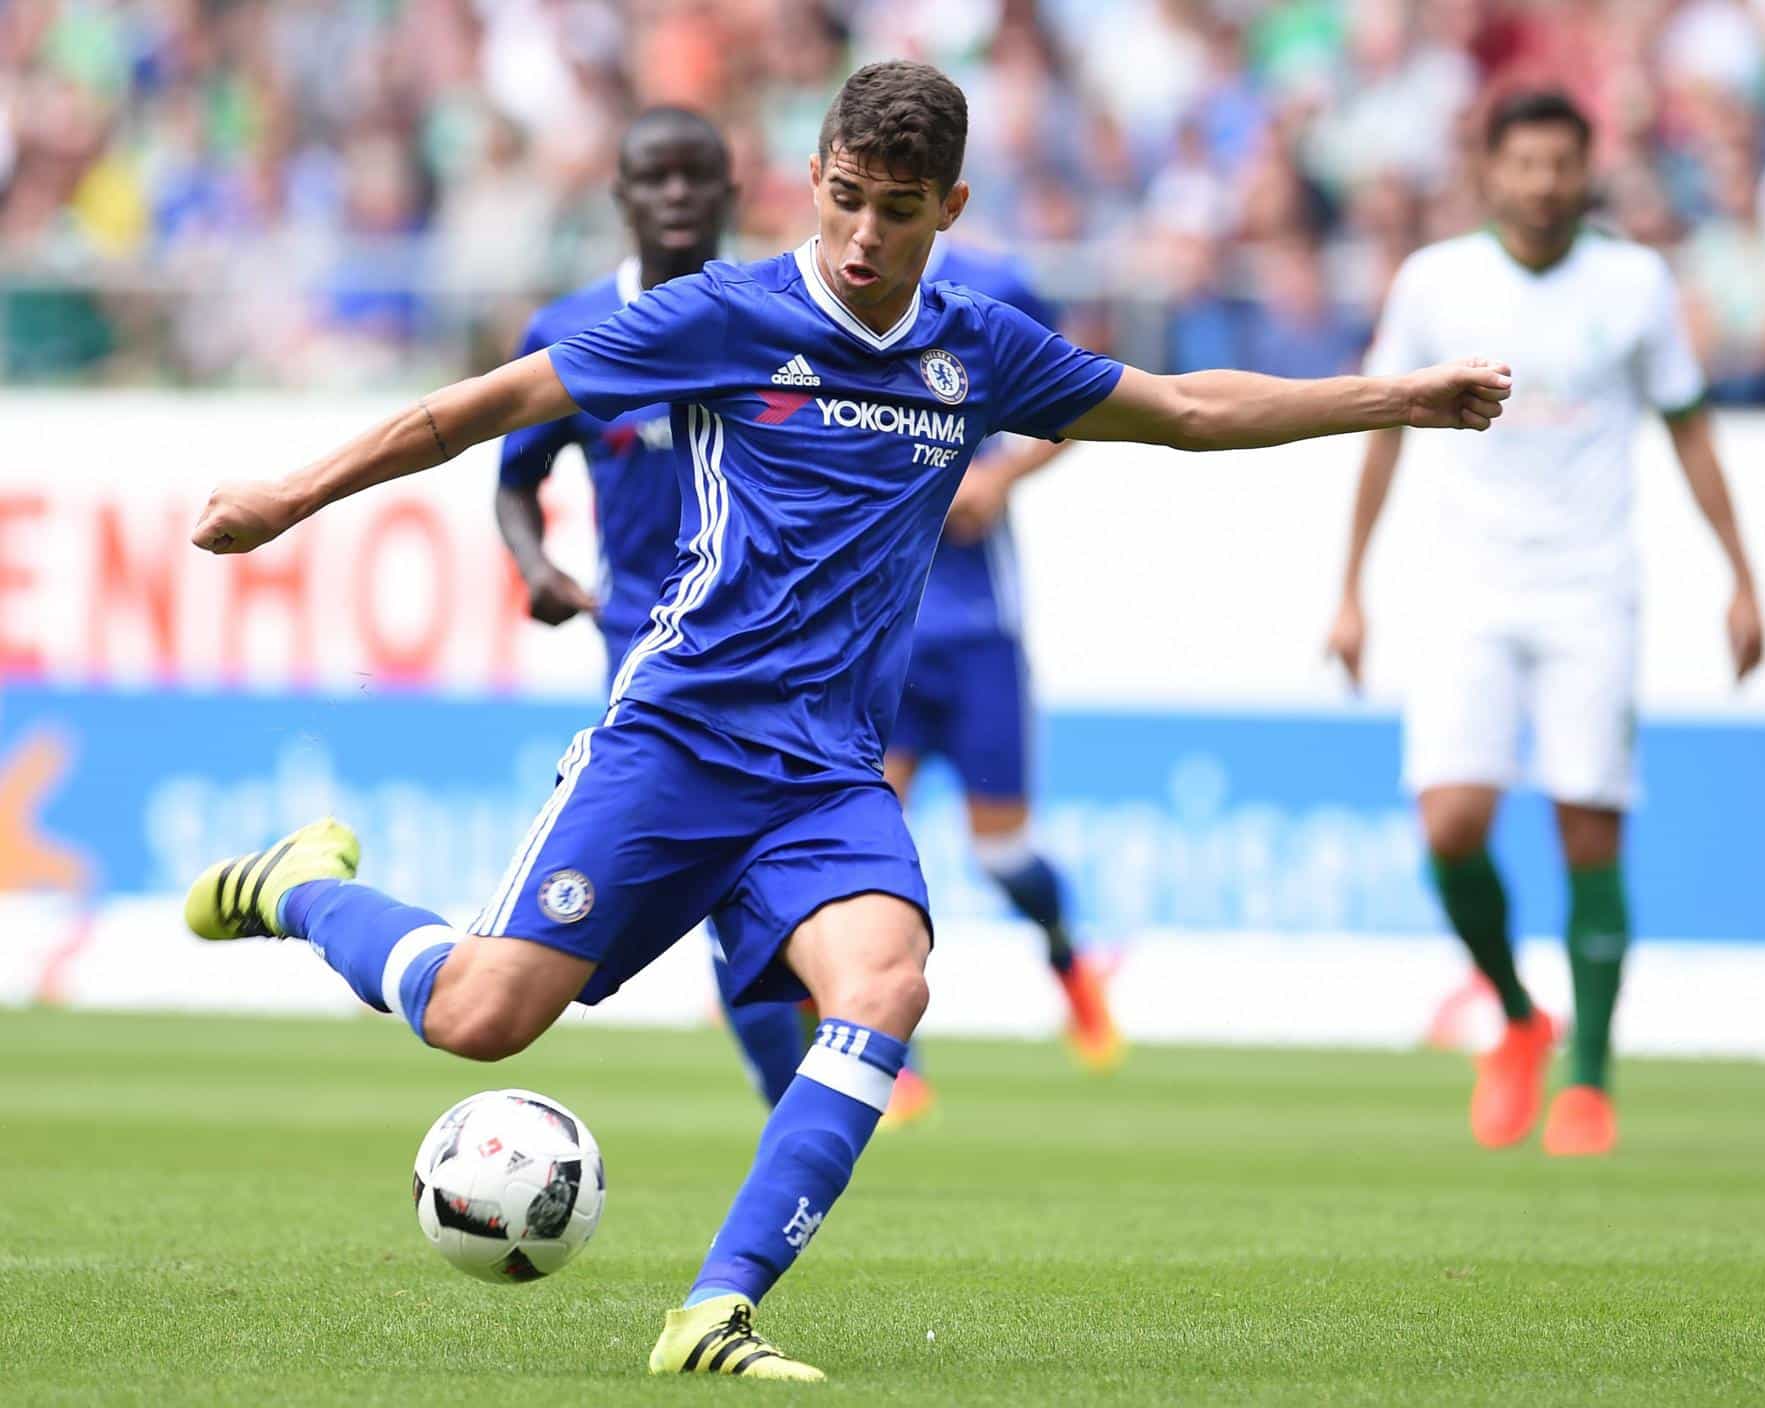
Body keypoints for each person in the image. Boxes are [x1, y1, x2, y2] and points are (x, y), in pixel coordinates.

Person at [183, 60, 1510, 1380]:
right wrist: (291, 496)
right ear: (815, 179)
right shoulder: (724, 317)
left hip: (826, 777)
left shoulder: (977, 349)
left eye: (903, 209)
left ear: (954, 207)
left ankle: (714, 1312)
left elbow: (1183, 409)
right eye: (850, 199)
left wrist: (1396, 396)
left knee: (886, 985)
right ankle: (300, 886)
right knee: (479, 1019)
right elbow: (482, 408)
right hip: (678, 745)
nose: (868, 237)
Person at [1324, 90, 1764, 1160]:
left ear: (1587, 168)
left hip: (1591, 588)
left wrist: (1742, 578)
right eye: (1524, 163)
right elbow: (1381, 430)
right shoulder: (1436, 280)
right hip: (1468, 587)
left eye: (1562, 163)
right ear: (1492, 171)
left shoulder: (1636, 281)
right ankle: (1519, 1013)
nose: (1544, 183)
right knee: (1451, 825)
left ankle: (1593, 1081)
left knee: (1588, 829)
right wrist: (1350, 587)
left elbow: (1690, 431)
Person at [493, 107, 810, 1110]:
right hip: (649, 656)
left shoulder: (785, 312)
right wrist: (535, 561)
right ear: (621, 195)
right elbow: (514, 476)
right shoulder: (569, 330)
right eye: (654, 177)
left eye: (695, 176)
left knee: (767, 885)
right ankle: (793, 1099)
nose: (675, 195)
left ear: (730, 191)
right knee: (725, 889)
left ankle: (805, 1088)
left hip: (782, 650)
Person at [880, 235, 1124, 1127]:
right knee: (873, 844)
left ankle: (1069, 960)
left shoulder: (995, 285)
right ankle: (889, 1048)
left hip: (980, 628)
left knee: (1004, 856)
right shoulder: (834, 280)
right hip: (882, 633)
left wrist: (1004, 474)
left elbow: (1085, 396)